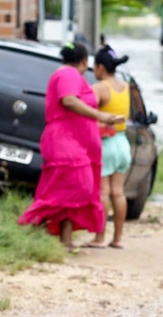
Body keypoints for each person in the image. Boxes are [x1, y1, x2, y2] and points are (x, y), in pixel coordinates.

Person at [18, 42, 122, 249]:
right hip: (65, 142)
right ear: (84, 61)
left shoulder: (72, 76)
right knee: (77, 186)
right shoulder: (68, 74)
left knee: (71, 189)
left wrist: (98, 123)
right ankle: (28, 225)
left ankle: (65, 240)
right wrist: (100, 115)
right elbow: (69, 101)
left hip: (76, 140)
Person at [87, 45, 131, 249]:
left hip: (106, 143)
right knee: (118, 192)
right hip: (123, 143)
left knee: (103, 193)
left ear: (101, 67)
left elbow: (89, 114)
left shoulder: (99, 88)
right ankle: (119, 238)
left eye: (94, 67)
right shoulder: (125, 86)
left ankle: (100, 237)